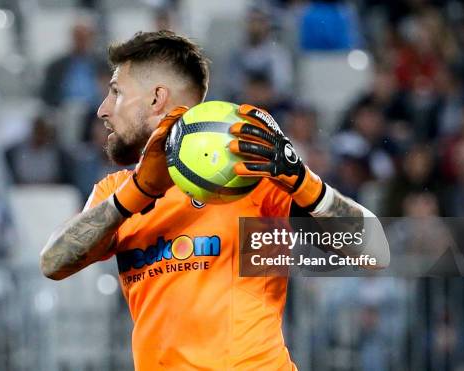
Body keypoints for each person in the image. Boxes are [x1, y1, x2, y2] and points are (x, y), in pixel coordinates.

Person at [40, 30, 389, 370]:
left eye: (115, 92)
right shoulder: (117, 192)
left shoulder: (248, 177)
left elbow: (374, 251)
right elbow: (53, 263)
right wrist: (139, 193)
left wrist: (303, 182)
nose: (102, 109)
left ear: (156, 98)